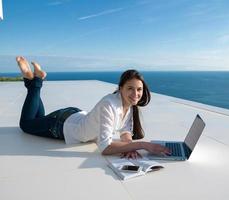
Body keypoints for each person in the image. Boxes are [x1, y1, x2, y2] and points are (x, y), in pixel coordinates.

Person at [16, 56, 171, 159]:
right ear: (121, 88)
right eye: (130, 88)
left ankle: (34, 79)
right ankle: (35, 81)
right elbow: (105, 148)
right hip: (62, 125)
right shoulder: (109, 104)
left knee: (38, 119)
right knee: (26, 125)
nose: (136, 94)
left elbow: (125, 132)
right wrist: (143, 145)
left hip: (73, 116)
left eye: (139, 89)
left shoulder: (128, 105)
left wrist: (129, 147)